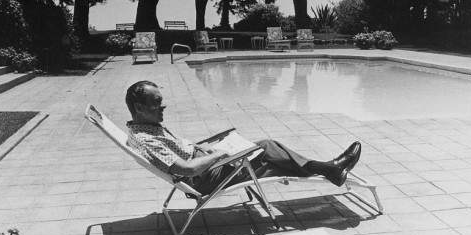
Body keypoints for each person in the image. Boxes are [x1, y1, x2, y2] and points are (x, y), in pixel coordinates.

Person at [125, 81, 362, 195]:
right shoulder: (147, 139)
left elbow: (178, 152)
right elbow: (187, 170)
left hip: (206, 164)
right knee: (268, 153)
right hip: (205, 176)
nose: (163, 107)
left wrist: (199, 146)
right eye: (156, 104)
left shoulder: (144, 127)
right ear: (139, 107)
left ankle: (329, 168)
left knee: (268, 153)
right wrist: (219, 153)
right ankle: (330, 168)